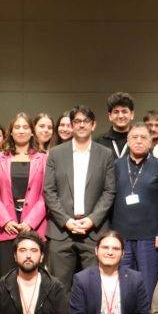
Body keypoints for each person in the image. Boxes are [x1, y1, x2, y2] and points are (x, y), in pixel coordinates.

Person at [44, 105, 117, 290]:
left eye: (86, 121)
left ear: (93, 125)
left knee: (94, 287)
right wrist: (66, 221)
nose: (81, 125)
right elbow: (49, 191)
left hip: (93, 231)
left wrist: (92, 220)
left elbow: (109, 191)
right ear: (72, 125)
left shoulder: (105, 154)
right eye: (77, 121)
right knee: (59, 288)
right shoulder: (56, 153)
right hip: (61, 231)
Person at [112, 123, 158, 290]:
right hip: (121, 236)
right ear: (128, 141)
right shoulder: (116, 165)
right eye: (134, 137)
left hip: (150, 238)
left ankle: (147, 311)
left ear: (150, 141)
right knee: (123, 285)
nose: (139, 141)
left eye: (143, 137)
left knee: (148, 286)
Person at [69, 231, 151, 314]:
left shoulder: (135, 279)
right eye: (105, 247)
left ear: (123, 254)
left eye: (116, 249)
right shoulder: (82, 279)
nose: (110, 252)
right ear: (96, 251)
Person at [0, 113, 48, 276]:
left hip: (34, 228)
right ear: (11, 132)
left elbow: (47, 193)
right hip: (5, 229)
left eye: (25, 127)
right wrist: (6, 220)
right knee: (7, 278)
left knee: (34, 278)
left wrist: (30, 222)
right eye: (17, 127)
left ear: (32, 132)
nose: (21, 131)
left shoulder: (44, 159)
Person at [0, 232, 70, 314]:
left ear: (42, 256)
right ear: (15, 256)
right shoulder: (1, 286)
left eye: (34, 250)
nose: (28, 255)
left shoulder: (55, 287)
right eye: (23, 250)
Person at [97, 92, 134, 160]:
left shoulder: (140, 141)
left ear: (132, 114)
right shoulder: (98, 142)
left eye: (124, 111)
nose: (120, 116)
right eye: (116, 112)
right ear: (110, 116)